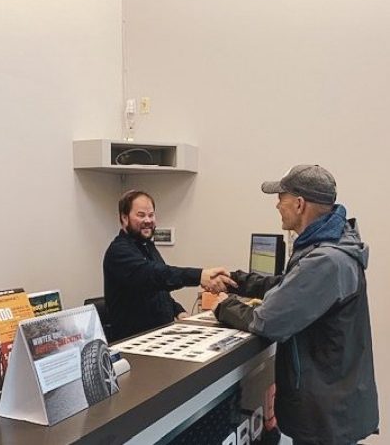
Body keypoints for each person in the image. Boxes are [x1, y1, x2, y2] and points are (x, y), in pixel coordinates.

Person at [213, 165, 379, 445]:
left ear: (300, 204)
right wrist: (237, 280)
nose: (278, 205)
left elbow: (269, 320)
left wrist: (222, 306)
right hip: (331, 406)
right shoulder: (326, 247)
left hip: (326, 415)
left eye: (281, 198)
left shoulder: (326, 260)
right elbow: (289, 286)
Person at [104, 190, 235, 341]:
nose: (148, 220)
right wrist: (199, 276)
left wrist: (178, 311)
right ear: (124, 218)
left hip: (158, 337)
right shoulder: (119, 252)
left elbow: (157, 289)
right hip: (134, 345)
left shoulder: (146, 245)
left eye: (151, 215)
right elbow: (155, 276)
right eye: (141, 215)